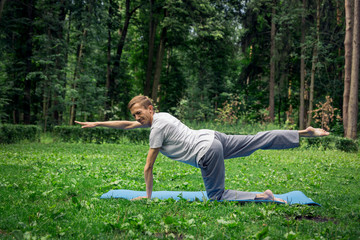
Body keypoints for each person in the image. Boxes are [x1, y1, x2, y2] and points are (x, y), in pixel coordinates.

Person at [75, 95, 329, 203]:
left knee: (217, 196)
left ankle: (263, 197)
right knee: (256, 139)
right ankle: (303, 133)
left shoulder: (156, 129)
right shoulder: (162, 116)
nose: (137, 118)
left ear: (150, 109)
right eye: (135, 115)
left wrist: (149, 197)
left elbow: (148, 166)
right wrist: (98, 122)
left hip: (207, 151)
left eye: (140, 113)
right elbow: (127, 125)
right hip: (212, 136)